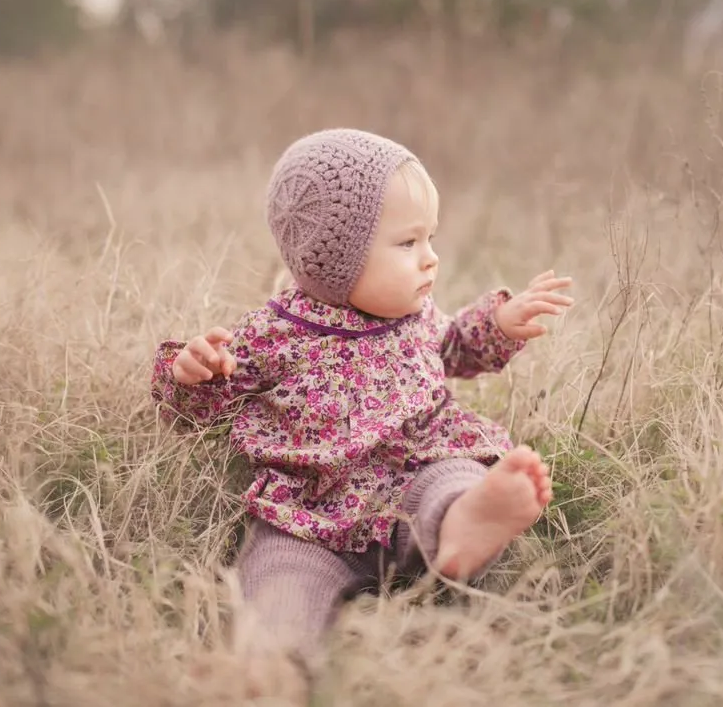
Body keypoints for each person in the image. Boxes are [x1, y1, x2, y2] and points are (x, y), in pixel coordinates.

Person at [150, 128, 574, 698]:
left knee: (454, 475)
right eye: (407, 244)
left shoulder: (416, 313)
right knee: (277, 577)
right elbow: (204, 408)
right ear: (335, 259)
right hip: (312, 513)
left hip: (414, 473)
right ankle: (271, 662)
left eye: (431, 238)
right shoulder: (275, 335)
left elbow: (452, 348)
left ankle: (463, 524)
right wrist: (191, 373)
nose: (431, 259)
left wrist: (497, 324)